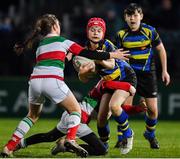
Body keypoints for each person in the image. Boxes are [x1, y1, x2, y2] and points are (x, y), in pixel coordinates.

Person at [0, 14, 130, 158]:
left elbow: (53, 59)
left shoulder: (41, 45)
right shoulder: (64, 41)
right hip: (52, 80)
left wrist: (68, 57)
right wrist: (112, 55)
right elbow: (87, 53)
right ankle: (70, 140)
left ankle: (9, 147)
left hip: (35, 81)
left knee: (32, 116)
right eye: (59, 24)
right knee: (75, 111)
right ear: (56, 26)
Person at [14, 78, 145, 157]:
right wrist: (128, 86)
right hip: (79, 118)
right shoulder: (105, 84)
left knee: (50, 136)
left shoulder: (113, 93)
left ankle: (20, 144)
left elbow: (122, 109)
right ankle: (66, 146)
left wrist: (139, 108)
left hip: (72, 115)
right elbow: (105, 85)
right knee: (101, 150)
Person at [115, 3, 170, 149]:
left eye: (135, 15)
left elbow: (161, 50)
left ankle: (150, 134)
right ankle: (122, 137)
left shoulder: (150, 31)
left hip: (148, 75)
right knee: (124, 107)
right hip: (129, 75)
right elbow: (118, 56)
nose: (132, 18)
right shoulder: (121, 35)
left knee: (152, 111)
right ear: (125, 18)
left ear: (141, 16)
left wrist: (164, 71)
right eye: (129, 15)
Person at [79, 17, 137, 155]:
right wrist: (82, 73)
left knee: (115, 106)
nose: (95, 33)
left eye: (99, 30)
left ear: (103, 33)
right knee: (101, 119)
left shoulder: (107, 45)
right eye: (92, 30)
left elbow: (111, 64)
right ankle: (103, 145)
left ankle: (128, 134)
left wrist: (99, 59)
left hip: (125, 78)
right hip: (109, 82)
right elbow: (83, 79)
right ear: (87, 32)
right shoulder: (85, 50)